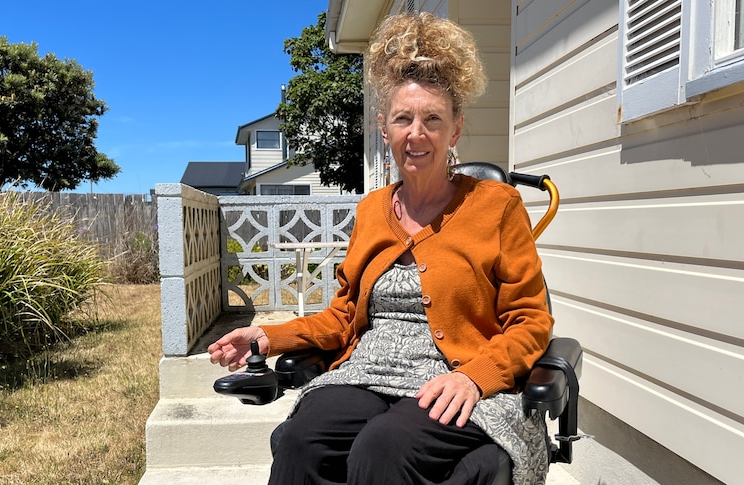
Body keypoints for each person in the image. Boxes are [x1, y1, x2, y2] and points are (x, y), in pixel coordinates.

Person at [209, 12, 553, 485]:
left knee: (382, 448)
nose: (417, 133)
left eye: (433, 119)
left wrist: (477, 376)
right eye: (403, 119)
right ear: (385, 130)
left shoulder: (497, 206)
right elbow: (342, 316)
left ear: (454, 130)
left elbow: (531, 321)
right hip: (367, 372)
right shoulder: (372, 210)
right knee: (300, 440)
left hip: (454, 378)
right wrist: (268, 338)